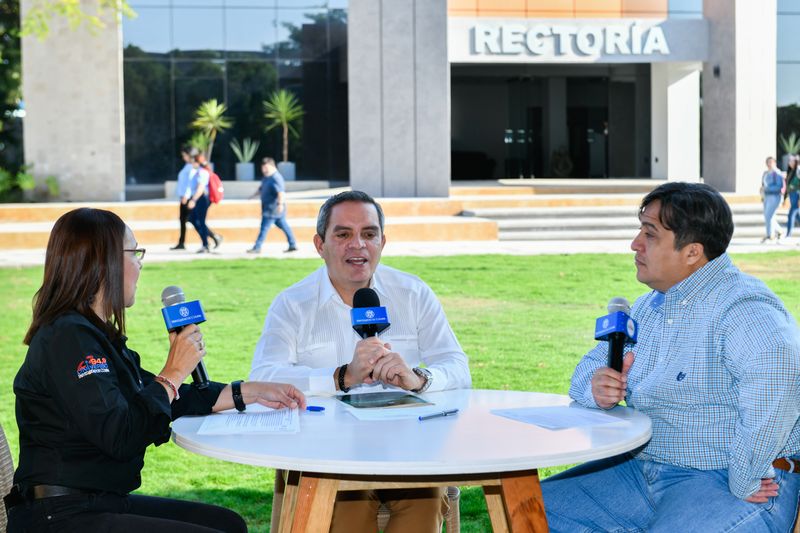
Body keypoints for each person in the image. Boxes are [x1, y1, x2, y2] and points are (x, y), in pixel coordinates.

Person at [7, 207, 306, 532]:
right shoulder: (68, 338)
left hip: (98, 501)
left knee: (228, 523)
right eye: (134, 252)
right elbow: (121, 434)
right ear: (103, 261)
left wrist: (247, 392)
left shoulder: (92, 334)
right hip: (60, 515)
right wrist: (174, 371)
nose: (140, 263)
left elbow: (160, 398)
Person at [541, 182, 800, 532]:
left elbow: (779, 373)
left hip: (724, 479)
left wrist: (746, 475)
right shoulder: (650, 305)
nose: (634, 244)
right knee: (526, 510)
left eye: (649, 234)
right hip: (637, 470)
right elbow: (587, 369)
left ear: (692, 252)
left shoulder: (742, 307)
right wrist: (597, 387)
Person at [249, 190, 472, 533]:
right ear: (319, 244)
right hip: (327, 455)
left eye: (368, 234)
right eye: (343, 234)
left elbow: (457, 366)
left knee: (425, 504)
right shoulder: (292, 304)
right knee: (346, 513)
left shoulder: (413, 293)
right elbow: (263, 376)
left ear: (383, 241)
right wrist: (340, 377)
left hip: (409, 453)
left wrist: (418, 378)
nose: (358, 245)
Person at [246, 157, 297, 254]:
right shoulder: (267, 177)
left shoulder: (276, 178)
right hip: (269, 208)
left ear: (272, 166)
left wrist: (280, 204)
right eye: (263, 168)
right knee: (284, 226)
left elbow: (281, 193)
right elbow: (261, 188)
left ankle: (257, 247)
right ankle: (292, 244)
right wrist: (253, 196)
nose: (264, 170)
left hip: (273, 209)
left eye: (266, 168)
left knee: (264, 228)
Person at [187, 154, 223, 253]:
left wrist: (193, 200)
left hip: (202, 199)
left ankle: (205, 244)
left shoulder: (202, 172)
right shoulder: (198, 172)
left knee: (200, 221)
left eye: (193, 161)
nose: (191, 164)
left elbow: (201, 188)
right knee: (193, 219)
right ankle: (213, 237)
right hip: (199, 198)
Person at [170, 146, 196, 250]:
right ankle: (181, 242)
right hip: (184, 197)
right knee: (183, 220)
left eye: (184, 155)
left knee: (193, 220)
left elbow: (190, 183)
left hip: (187, 198)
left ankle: (213, 236)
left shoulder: (191, 167)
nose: (183, 157)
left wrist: (186, 195)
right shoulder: (187, 166)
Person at [761, 156, 785, 243]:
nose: (769, 164)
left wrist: (767, 189)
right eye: (768, 162)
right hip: (766, 197)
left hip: (774, 196)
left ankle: (770, 235)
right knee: (769, 216)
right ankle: (780, 231)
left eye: (771, 162)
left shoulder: (777, 173)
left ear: (774, 163)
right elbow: (763, 184)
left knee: (769, 216)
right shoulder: (765, 173)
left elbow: (779, 186)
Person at [785, 155, 800, 238]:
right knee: (797, 216)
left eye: (791, 161)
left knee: (791, 214)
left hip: (797, 195)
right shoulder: (791, 171)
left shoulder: (798, 170)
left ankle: (788, 235)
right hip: (792, 195)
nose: (789, 162)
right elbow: (788, 185)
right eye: (789, 161)